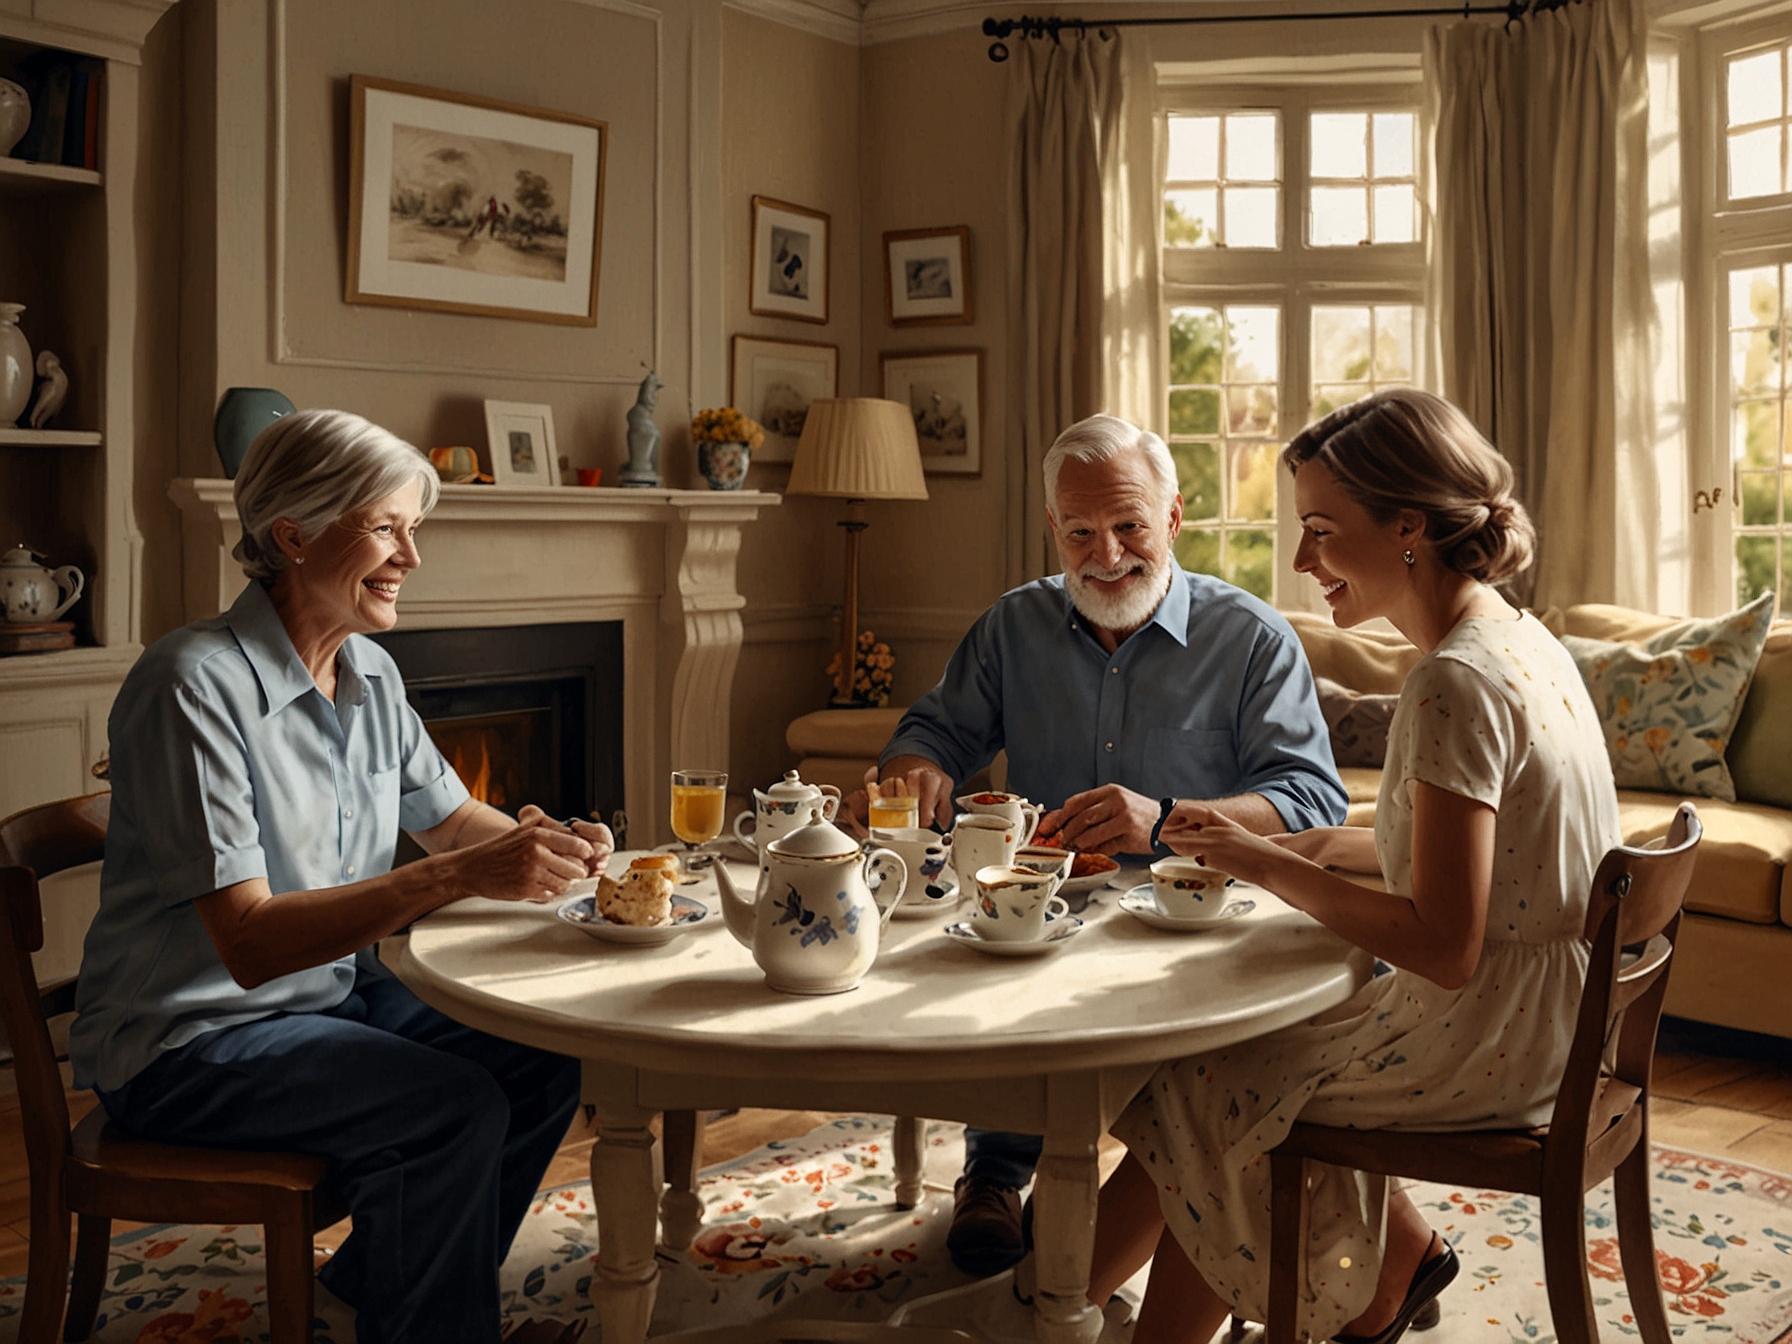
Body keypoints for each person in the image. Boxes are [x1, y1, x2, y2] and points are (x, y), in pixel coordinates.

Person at [1087, 388, 1621, 1344]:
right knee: (1209, 1069)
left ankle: (1353, 1291)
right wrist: (1260, 848)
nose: (1301, 562)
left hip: (1492, 1035)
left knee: (1211, 1087)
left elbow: (1444, 945)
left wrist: (1268, 864)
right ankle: (1068, 1292)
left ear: (1408, 525)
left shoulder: (1452, 683)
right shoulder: (1519, 637)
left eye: (1322, 532)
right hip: (1561, 1018)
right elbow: (1436, 851)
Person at [69, 409, 609, 1344]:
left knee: (542, 1055)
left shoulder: (369, 673)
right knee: (453, 1107)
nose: (412, 556)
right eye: (388, 527)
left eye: (415, 530)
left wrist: (543, 844)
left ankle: (370, 1297)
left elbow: (448, 821)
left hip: (325, 1002)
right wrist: (459, 877)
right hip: (188, 1041)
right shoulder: (190, 684)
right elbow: (247, 944)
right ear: (295, 533)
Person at [870, 413, 1349, 1274]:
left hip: (1195, 918)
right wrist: (917, 769)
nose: (1108, 553)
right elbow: (931, 735)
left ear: (1172, 521)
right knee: (987, 952)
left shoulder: (1252, 639)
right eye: (1081, 531)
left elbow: (1312, 802)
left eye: (1130, 525)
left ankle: (1162, 1189)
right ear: (1053, 528)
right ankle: (996, 1170)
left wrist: (1166, 820)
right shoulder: (1011, 627)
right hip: (1042, 901)